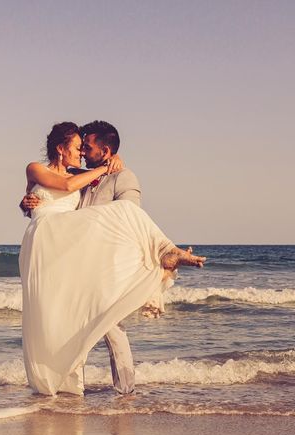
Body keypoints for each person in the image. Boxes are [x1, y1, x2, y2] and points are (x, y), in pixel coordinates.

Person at [19, 121, 204, 396]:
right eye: (78, 147)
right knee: (57, 315)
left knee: (88, 320)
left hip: (89, 254)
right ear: (60, 149)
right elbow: (54, 191)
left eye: (86, 147)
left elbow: (125, 216)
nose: (82, 152)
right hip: (51, 243)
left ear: (104, 149)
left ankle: (103, 390)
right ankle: (63, 382)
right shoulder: (45, 170)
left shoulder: (116, 176)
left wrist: (111, 164)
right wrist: (25, 203)